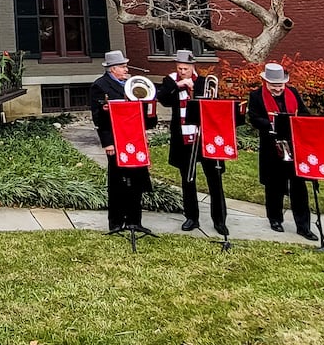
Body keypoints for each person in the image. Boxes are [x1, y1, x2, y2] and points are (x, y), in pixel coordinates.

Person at [156, 49, 228, 236]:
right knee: (188, 179)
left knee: (215, 179)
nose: (182, 71)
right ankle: (191, 217)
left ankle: (219, 220)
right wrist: (179, 85)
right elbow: (163, 99)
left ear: (192, 67)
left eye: (185, 69)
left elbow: (214, 107)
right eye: (179, 68)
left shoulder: (205, 82)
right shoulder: (171, 81)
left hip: (204, 137)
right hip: (183, 139)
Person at [88, 50, 157, 233]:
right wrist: (107, 143)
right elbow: (98, 118)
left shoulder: (132, 84)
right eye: (123, 66)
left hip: (135, 140)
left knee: (136, 181)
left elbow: (143, 115)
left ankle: (135, 220)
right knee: (118, 182)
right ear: (113, 69)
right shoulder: (100, 86)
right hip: (116, 140)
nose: (127, 69)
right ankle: (116, 221)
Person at [247, 62, 316, 240]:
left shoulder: (292, 92)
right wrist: (272, 124)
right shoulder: (256, 95)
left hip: (294, 146)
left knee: (299, 187)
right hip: (271, 146)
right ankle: (275, 219)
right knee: (274, 186)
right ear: (266, 82)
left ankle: (303, 226)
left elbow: (304, 113)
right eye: (274, 85)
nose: (278, 88)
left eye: (280, 85)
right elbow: (254, 118)